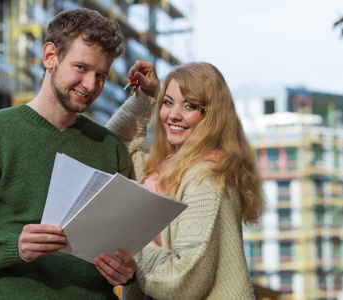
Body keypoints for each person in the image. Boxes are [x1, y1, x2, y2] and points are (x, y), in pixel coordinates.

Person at [0, 8, 137, 299]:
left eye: (101, 76)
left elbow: (129, 246)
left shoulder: (111, 147)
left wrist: (128, 271)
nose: (91, 85)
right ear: (50, 56)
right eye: (81, 68)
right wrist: (15, 246)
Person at [104, 60, 266, 299]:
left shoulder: (206, 180)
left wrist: (132, 238)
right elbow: (111, 150)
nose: (174, 115)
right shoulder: (164, 173)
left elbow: (178, 282)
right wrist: (146, 97)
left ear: (211, 116)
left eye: (190, 106)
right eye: (167, 102)